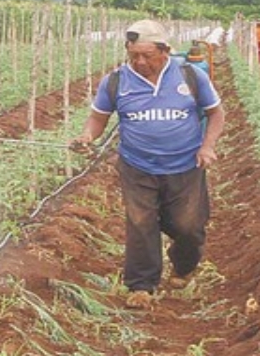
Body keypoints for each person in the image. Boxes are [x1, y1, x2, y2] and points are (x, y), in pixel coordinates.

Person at [71, 19, 225, 308]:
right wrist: (87, 137)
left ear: (165, 51)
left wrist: (208, 146)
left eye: (147, 55)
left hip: (185, 165)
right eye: (134, 56)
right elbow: (98, 118)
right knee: (141, 224)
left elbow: (216, 114)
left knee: (188, 226)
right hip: (137, 165)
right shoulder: (116, 81)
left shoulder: (190, 76)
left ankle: (183, 266)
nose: (140, 62)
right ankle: (142, 285)